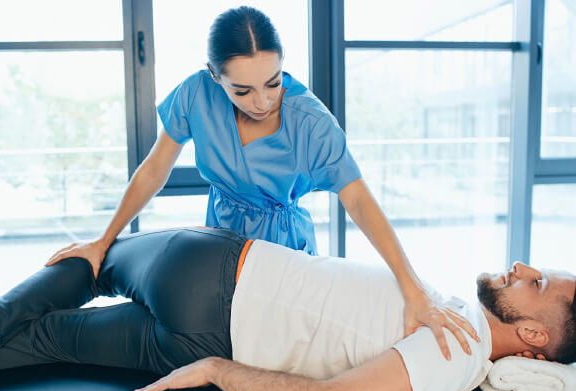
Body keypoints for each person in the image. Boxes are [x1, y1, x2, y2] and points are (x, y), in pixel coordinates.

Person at [43, 6, 474, 358]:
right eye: (242, 91)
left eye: (273, 82)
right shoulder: (196, 94)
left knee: (270, 353)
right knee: (202, 336)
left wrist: (412, 286)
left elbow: (358, 199)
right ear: (215, 77)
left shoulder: (310, 121)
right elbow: (154, 171)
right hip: (219, 236)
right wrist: (103, 240)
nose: (263, 101)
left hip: (281, 249)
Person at [0, 227, 574, 391]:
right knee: (43, 340)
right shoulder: (457, 330)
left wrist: (215, 374)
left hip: (213, 280)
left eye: (537, 284)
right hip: (205, 329)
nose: (522, 269)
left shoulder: (457, 351)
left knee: (94, 258)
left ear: (537, 340)